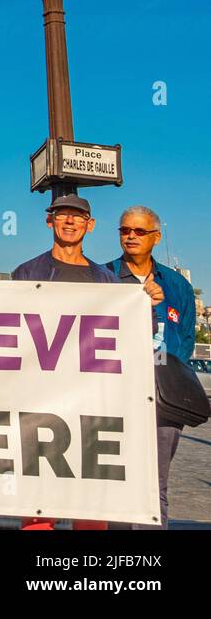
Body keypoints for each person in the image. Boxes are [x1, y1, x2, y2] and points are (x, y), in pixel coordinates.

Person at [13, 192, 118, 530]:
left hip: (90, 401)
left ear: (90, 225)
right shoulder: (27, 273)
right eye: (62, 214)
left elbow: (128, 334)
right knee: (38, 496)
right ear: (49, 221)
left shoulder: (107, 279)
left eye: (77, 216)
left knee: (91, 494)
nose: (70, 221)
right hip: (40, 400)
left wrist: (145, 306)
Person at [106, 206, 194, 530]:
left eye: (139, 231)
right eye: (124, 230)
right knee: (112, 481)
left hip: (162, 401)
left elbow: (185, 339)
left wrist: (168, 379)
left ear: (156, 237)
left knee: (155, 484)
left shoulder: (177, 286)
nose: (130, 236)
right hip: (114, 397)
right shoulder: (103, 277)